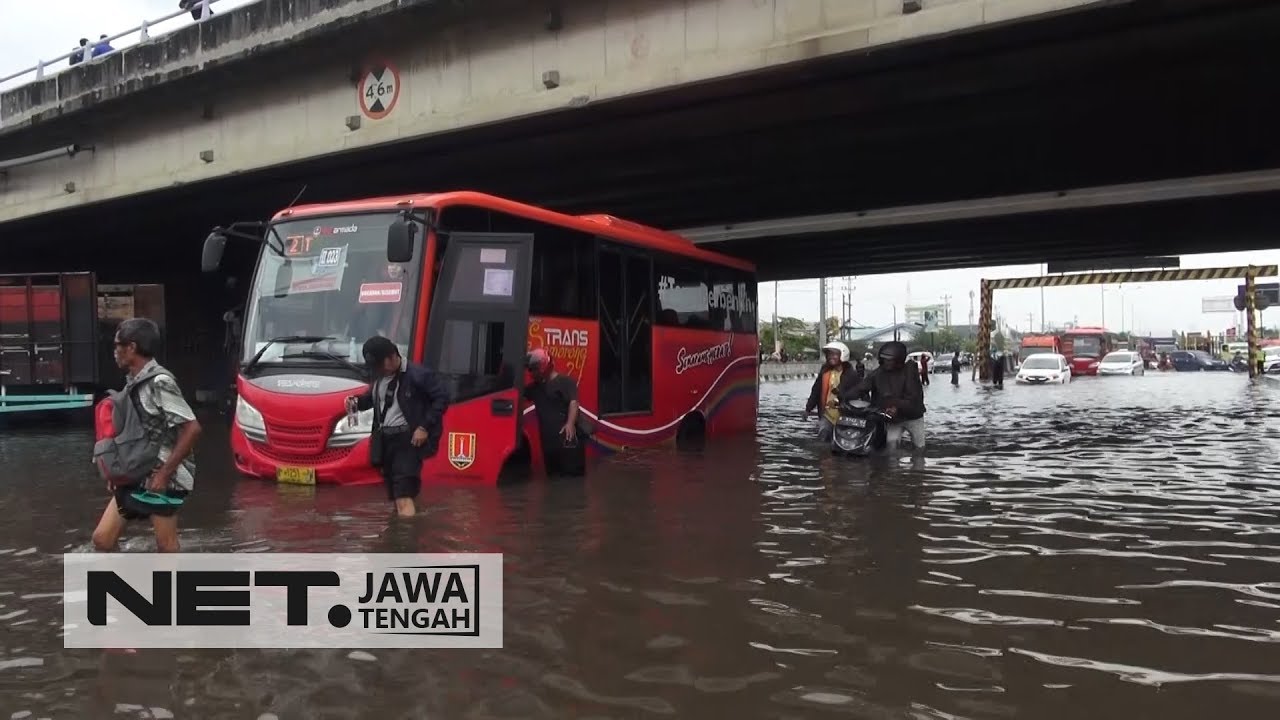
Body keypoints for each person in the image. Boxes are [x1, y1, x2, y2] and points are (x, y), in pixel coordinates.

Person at [92, 318, 202, 553]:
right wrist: (119, 473)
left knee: (166, 546)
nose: (114, 352)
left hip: (164, 476)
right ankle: (126, 584)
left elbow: (192, 428)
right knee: (102, 540)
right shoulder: (133, 381)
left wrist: (164, 475)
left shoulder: (160, 382)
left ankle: (170, 589)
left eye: (116, 345)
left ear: (131, 347)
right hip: (138, 472)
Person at [345, 336, 449, 517]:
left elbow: (442, 399)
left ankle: (405, 542)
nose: (378, 369)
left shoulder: (418, 375)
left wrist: (424, 427)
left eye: (380, 364)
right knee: (396, 495)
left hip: (407, 443)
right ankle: (408, 530)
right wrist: (356, 402)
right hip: (386, 442)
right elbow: (372, 400)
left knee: (402, 496)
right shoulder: (379, 378)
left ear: (393, 356)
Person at [841, 341, 926, 452]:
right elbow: (862, 387)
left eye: (889, 360)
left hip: (914, 417)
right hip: (894, 419)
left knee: (919, 448)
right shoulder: (878, 373)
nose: (886, 362)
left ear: (898, 360)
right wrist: (843, 397)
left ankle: (919, 468)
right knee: (891, 445)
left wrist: (896, 407)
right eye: (884, 359)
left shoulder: (910, 373)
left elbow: (913, 399)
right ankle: (892, 468)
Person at [524, 349, 586, 476]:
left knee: (572, 481)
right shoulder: (534, 389)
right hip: (548, 445)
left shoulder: (566, 382)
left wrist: (570, 423)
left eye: (533, 369)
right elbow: (515, 396)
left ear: (543, 367)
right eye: (530, 369)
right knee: (553, 479)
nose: (531, 373)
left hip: (568, 443)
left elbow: (573, 403)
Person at [805, 341, 858, 442]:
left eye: (834, 354)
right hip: (827, 414)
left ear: (842, 355)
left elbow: (858, 393)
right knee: (823, 437)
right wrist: (808, 409)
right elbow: (816, 391)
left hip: (845, 415)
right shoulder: (825, 372)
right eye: (829, 354)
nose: (830, 357)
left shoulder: (852, 375)